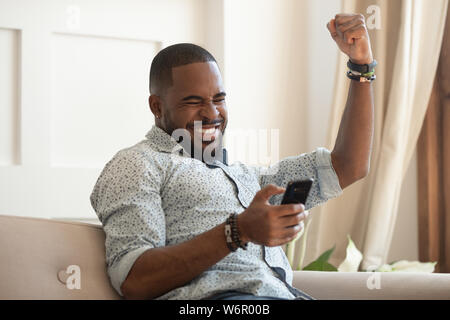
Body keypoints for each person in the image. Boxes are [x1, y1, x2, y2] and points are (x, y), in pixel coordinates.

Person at [90, 13, 375, 300]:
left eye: (219, 99)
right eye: (193, 101)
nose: (212, 114)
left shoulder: (249, 178)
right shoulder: (137, 164)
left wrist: (361, 68)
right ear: (156, 106)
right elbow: (134, 280)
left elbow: (348, 166)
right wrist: (238, 231)